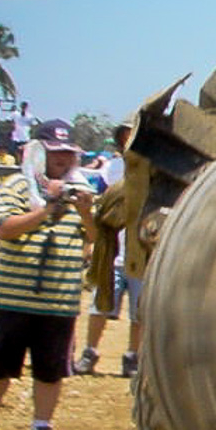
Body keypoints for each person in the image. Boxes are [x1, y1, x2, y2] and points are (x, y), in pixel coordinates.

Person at [0, 120, 95, 430]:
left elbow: (94, 238)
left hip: (59, 300)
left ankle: (41, 429)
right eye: (56, 154)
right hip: (13, 299)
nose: (63, 160)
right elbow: (4, 228)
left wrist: (85, 210)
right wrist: (47, 208)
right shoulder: (18, 187)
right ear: (40, 153)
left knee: (51, 370)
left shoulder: (82, 189)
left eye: (67, 154)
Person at [73, 120, 140, 377]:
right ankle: (90, 352)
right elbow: (96, 200)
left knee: (139, 313)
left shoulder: (155, 169)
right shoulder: (112, 168)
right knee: (99, 307)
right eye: (125, 137)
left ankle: (132, 357)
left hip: (141, 254)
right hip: (111, 251)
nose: (128, 142)